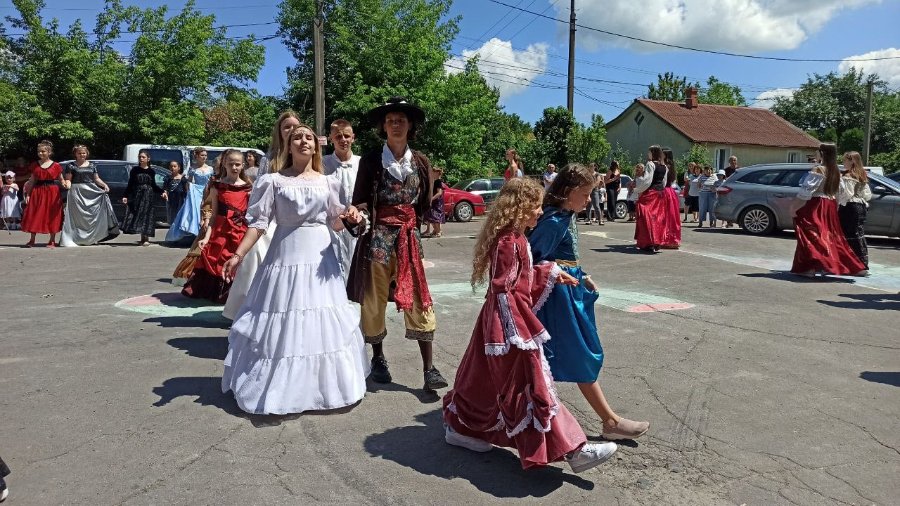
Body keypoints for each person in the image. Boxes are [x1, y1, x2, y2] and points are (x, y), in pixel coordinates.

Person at [443, 177, 618, 473]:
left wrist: (551, 273)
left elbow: (520, 279)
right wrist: (518, 332)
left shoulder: (518, 239)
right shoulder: (508, 242)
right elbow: (503, 290)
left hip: (501, 325)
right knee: (533, 385)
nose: (540, 211)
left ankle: (462, 429)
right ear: (520, 208)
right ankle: (574, 450)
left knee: (483, 382)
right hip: (506, 327)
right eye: (536, 206)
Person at [220, 123, 369, 415]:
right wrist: (238, 255)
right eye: (297, 137)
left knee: (320, 321)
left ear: (316, 146)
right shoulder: (273, 181)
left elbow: (335, 223)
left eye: (308, 137)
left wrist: (350, 216)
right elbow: (259, 224)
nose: (303, 141)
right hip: (284, 257)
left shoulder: (329, 182)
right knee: (282, 319)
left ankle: (318, 388)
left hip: (320, 260)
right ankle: (280, 388)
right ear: (288, 146)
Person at [530, 164, 650, 441]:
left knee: (568, 357)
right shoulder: (553, 220)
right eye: (584, 194)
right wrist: (563, 274)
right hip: (556, 302)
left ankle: (605, 420)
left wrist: (582, 276)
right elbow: (533, 260)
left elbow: (562, 258)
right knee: (578, 355)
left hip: (568, 294)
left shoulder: (566, 216)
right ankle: (609, 421)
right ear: (569, 192)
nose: (588, 200)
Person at [343, 96, 447, 392]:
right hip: (377, 239)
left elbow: (425, 201)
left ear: (410, 125)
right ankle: (378, 358)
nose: (395, 124)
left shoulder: (421, 161)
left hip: (409, 239)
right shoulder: (372, 160)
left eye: (401, 120)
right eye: (390, 121)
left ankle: (429, 369)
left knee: (418, 297)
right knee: (373, 299)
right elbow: (361, 199)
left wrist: (413, 223)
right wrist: (358, 214)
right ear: (384, 127)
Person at [222, 111, 300, 320]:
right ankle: (249, 309)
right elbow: (260, 193)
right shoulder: (269, 159)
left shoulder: (306, 155)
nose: (291, 130)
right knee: (257, 252)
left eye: (295, 126)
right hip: (273, 218)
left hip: (297, 219)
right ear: (279, 131)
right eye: (287, 127)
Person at [181, 149, 252, 303]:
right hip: (220, 230)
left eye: (237, 164)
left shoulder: (248, 187)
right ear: (224, 164)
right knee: (215, 258)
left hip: (240, 230)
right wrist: (206, 238)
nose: (234, 167)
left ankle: (236, 293)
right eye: (231, 164)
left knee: (238, 259)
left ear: (243, 166)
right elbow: (213, 215)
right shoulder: (217, 186)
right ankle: (216, 293)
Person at [791, 143, 867, 277]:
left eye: (817, 151)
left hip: (816, 205)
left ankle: (810, 268)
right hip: (830, 205)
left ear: (822, 154)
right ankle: (828, 265)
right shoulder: (836, 171)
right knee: (830, 236)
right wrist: (834, 208)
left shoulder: (818, 169)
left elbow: (806, 192)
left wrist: (794, 207)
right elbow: (840, 194)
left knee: (811, 235)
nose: (816, 154)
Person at [322, 118, 361, 281]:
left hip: (358, 223)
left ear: (353, 137)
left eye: (346, 136)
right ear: (331, 139)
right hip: (332, 226)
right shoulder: (322, 164)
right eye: (338, 136)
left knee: (358, 270)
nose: (343, 140)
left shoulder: (361, 163)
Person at [172, 161, 220, 286]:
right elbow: (207, 203)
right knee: (202, 248)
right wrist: (206, 218)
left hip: (228, 223)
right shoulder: (213, 182)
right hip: (213, 220)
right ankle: (197, 277)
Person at [60, 145, 118, 247]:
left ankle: (92, 239)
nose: (82, 155)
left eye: (83, 153)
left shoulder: (92, 165)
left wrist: (104, 185)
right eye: (79, 153)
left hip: (91, 191)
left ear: (87, 154)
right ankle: (76, 238)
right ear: (75, 154)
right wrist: (67, 184)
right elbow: (68, 179)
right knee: (78, 217)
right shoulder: (71, 165)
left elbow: (96, 179)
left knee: (92, 217)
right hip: (77, 193)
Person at [21, 140, 65, 247]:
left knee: (52, 215)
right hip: (37, 191)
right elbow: (32, 181)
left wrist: (66, 184)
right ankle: (32, 240)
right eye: (39, 152)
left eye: (43, 151)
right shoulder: (34, 165)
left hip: (52, 192)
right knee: (34, 213)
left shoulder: (56, 165)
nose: (40, 153)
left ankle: (52, 240)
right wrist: (28, 194)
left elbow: (61, 180)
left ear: (49, 152)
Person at [165, 147, 214, 243]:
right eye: (202, 155)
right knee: (196, 211)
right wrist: (189, 191)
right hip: (196, 192)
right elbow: (189, 182)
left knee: (208, 210)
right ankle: (196, 233)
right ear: (197, 156)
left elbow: (212, 181)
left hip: (207, 191)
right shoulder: (193, 168)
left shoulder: (210, 168)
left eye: (205, 155)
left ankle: (207, 235)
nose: (204, 157)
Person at [121, 150, 166, 246]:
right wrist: (125, 195)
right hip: (138, 195)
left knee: (147, 215)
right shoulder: (135, 170)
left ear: (148, 159)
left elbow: (153, 185)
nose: (141, 159)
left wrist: (162, 192)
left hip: (148, 196)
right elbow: (130, 184)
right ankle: (142, 238)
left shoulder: (151, 171)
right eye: (140, 157)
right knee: (139, 215)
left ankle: (146, 238)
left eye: (143, 157)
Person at [837, 151, 872, 269]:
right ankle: (862, 262)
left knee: (849, 235)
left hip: (850, 207)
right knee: (858, 234)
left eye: (845, 160)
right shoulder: (861, 174)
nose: (843, 163)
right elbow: (867, 195)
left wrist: (837, 202)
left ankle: (854, 265)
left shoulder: (848, 176)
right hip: (861, 206)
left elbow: (846, 194)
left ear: (852, 161)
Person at [634, 146, 668, 252]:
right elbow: (664, 182)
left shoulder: (650, 164)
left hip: (651, 194)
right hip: (660, 194)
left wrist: (637, 190)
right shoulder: (664, 166)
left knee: (646, 217)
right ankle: (657, 241)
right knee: (658, 218)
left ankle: (648, 242)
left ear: (653, 153)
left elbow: (647, 181)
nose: (648, 154)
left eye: (649, 152)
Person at [660, 148, 681, 249]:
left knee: (666, 216)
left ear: (666, 155)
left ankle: (666, 239)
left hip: (665, 191)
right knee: (671, 216)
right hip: (670, 192)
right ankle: (672, 239)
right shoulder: (671, 165)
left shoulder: (665, 166)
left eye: (662, 153)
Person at [162, 160, 188, 226]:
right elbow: (165, 188)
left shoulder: (183, 178)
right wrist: (165, 193)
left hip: (180, 199)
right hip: (171, 199)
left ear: (179, 168)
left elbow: (186, 189)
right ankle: (172, 229)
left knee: (180, 216)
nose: (172, 168)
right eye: (171, 166)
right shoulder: (168, 178)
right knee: (172, 216)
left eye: (174, 166)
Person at [423, 166, 445, 238]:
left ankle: (438, 231)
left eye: (433, 172)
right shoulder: (435, 181)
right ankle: (435, 230)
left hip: (437, 202)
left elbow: (439, 193)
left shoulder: (438, 181)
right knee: (432, 216)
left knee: (436, 217)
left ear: (437, 173)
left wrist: (432, 198)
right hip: (434, 201)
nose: (432, 173)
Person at [724, 156, 739, 227]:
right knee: (729, 207)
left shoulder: (739, 170)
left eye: (734, 160)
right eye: (731, 160)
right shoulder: (726, 170)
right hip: (729, 191)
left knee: (739, 206)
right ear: (729, 162)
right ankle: (729, 222)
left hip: (738, 191)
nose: (733, 162)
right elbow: (724, 180)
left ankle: (740, 223)